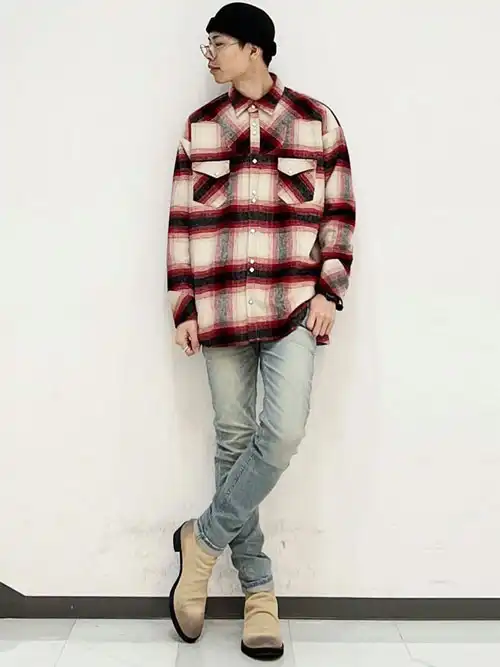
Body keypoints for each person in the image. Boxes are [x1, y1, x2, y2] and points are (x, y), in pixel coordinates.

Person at [166, 2, 355, 660]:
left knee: (282, 433)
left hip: (291, 306)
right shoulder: (199, 128)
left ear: (254, 48)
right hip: (219, 307)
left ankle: (201, 539)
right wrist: (183, 306)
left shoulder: (315, 122)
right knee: (233, 440)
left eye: (218, 43)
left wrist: (330, 289)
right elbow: (181, 222)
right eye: (208, 45)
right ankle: (259, 591)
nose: (210, 56)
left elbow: (339, 214)